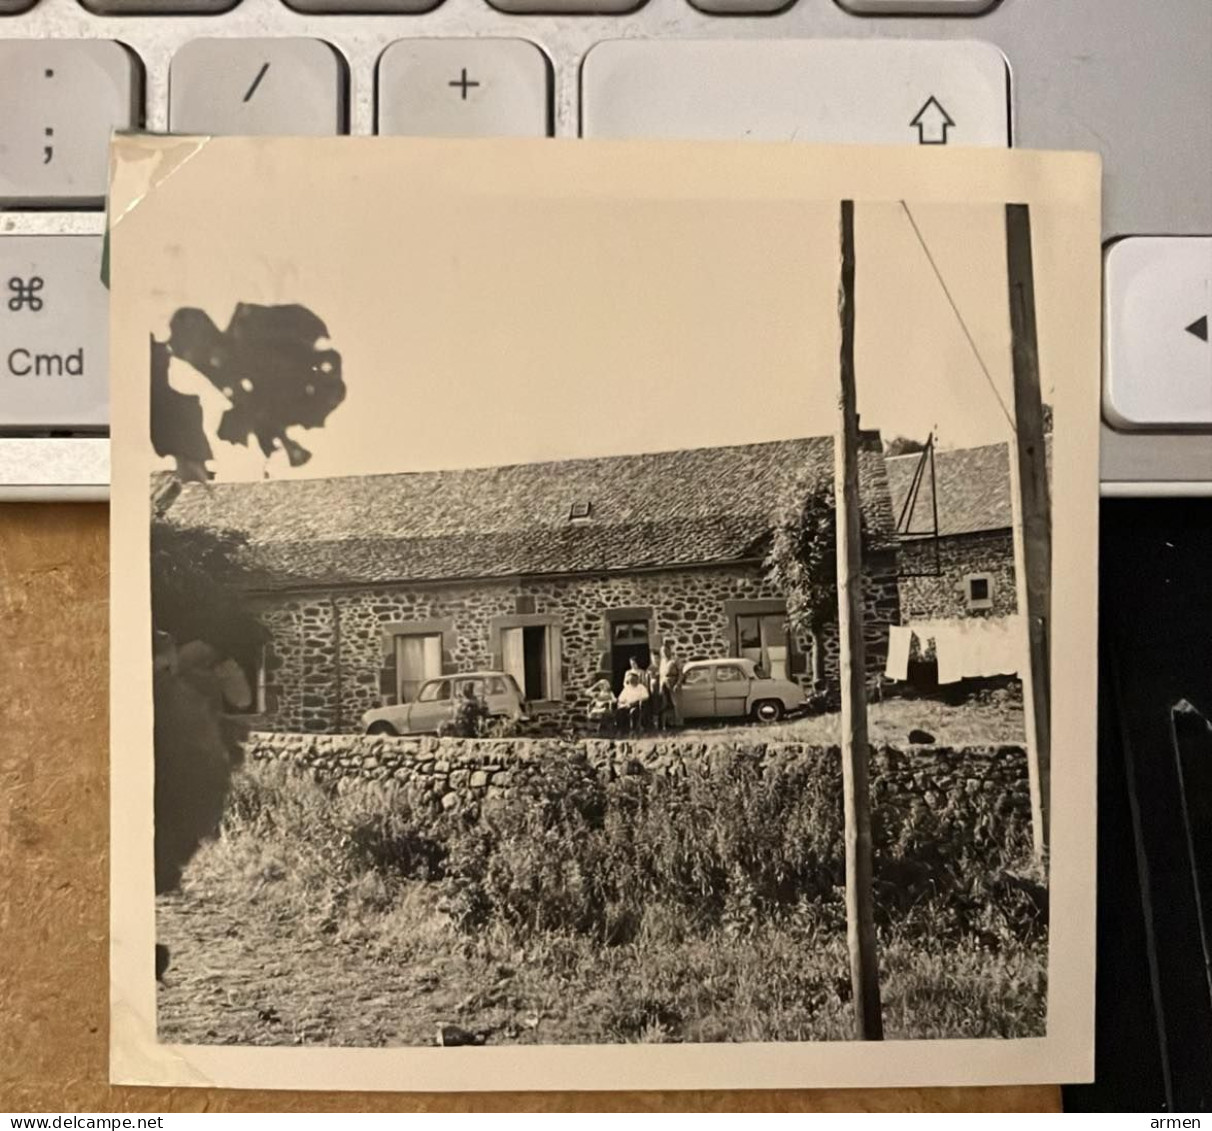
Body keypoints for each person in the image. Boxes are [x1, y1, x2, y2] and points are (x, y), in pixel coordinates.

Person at [657, 639, 683, 729]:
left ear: (669, 650)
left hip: (673, 681)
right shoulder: (662, 661)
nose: (664, 653)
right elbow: (661, 675)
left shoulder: (675, 660)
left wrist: (678, 683)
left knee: (675, 703)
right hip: (664, 683)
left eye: (665, 651)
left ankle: (678, 723)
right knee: (665, 704)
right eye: (662, 651)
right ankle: (668, 723)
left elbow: (680, 673)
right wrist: (660, 686)